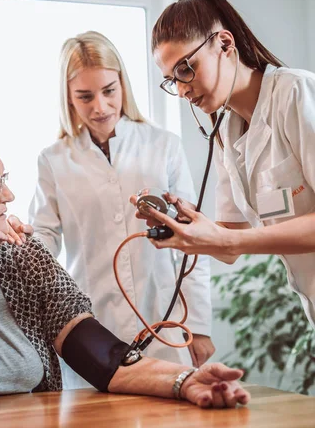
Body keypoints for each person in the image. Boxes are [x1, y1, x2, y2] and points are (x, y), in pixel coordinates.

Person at [0, 109, 250, 412]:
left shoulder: (20, 256)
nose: (8, 195)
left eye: (4, 179)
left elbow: (100, 355)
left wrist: (184, 380)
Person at [28, 31, 214, 390]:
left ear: (123, 85)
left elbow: (194, 244)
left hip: (166, 322)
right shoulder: (52, 161)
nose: (100, 107)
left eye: (109, 91)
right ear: (68, 98)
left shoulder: (164, 146)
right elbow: (42, 245)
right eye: (85, 96)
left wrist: (200, 325)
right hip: (91, 329)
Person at [134, 0, 315, 331]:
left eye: (186, 68)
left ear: (224, 43)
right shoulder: (226, 132)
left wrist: (228, 239)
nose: (183, 89)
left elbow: (233, 240)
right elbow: (230, 240)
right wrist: (183, 226)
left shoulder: (296, 92)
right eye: (173, 79)